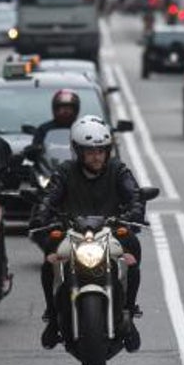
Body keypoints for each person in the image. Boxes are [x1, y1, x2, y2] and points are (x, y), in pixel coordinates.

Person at [31, 117, 146, 352]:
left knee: (132, 254)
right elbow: (49, 196)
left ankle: (129, 313)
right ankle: (53, 318)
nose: (96, 156)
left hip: (110, 233)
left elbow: (133, 193)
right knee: (50, 260)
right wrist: (41, 215)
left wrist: (135, 212)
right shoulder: (65, 172)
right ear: (78, 151)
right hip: (72, 234)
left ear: (108, 151)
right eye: (90, 151)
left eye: (101, 151)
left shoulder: (118, 169)